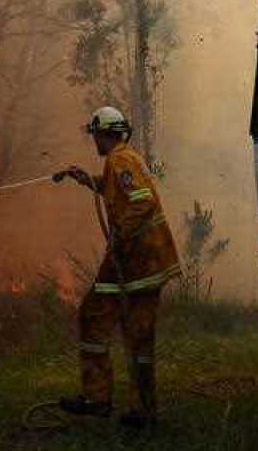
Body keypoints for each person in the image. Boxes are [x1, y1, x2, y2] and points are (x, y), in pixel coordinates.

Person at [56, 106, 182, 429]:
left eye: (95, 134)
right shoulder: (122, 160)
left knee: (92, 317)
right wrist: (90, 182)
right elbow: (122, 192)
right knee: (139, 337)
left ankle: (97, 398)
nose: (94, 141)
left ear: (104, 132)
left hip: (133, 259)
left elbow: (141, 201)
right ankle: (143, 410)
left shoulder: (119, 159)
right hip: (146, 261)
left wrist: (120, 235)